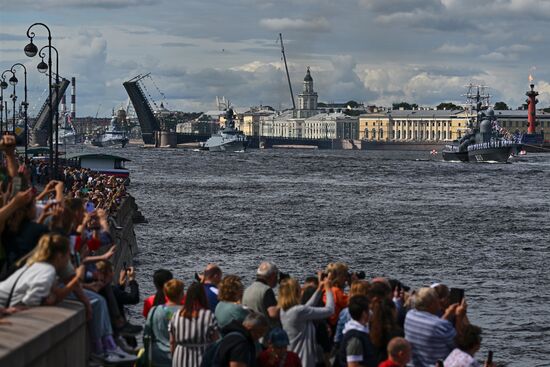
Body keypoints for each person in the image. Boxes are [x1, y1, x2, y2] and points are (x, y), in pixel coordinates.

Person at [0, 233, 83, 308]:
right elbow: (31, 303)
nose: (69, 259)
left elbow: (54, 297)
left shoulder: (37, 266)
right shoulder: (47, 271)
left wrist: (75, 280)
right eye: (68, 255)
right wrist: (78, 278)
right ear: (59, 256)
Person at [404, 287, 468, 367]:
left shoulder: (409, 315)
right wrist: (459, 317)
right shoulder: (441, 326)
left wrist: (447, 314)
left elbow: (435, 326)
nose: (439, 301)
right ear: (431, 304)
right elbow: (461, 347)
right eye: (437, 298)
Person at [279, 275, 334, 367]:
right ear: (295, 292)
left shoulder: (284, 310)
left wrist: (319, 289)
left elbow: (307, 306)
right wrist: (328, 290)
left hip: (292, 358)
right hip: (303, 361)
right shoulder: (299, 311)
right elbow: (330, 310)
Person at [169, 282, 218, 367]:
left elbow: (172, 341)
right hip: (201, 357)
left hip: (180, 357)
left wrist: (173, 357)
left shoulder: (177, 315)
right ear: (203, 296)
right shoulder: (208, 315)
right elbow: (215, 342)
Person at [144, 279, 184, 367]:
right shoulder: (186, 312)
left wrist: (147, 356)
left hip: (158, 356)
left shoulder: (154, 310)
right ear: (181, 294)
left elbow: (146, 335)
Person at [338, 295, 377, 367]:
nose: (371, 312)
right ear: (364, 314)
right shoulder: (355, 338)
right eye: (369, 310)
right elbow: (353, 365)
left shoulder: (359, 330)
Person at [242, 261, 280, 329]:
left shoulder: (247, 290)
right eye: (276, 275)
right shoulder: (266, 290)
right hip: (265, 333)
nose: (277, 279)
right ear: (272, 275)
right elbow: (273, 314)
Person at [323, 262, 350, 332]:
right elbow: (353, 304)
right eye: (345, 276)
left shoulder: (324, 289)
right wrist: (353, 285)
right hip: (334, 327)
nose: (346, 279)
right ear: (340, 277)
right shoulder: (336, 292)